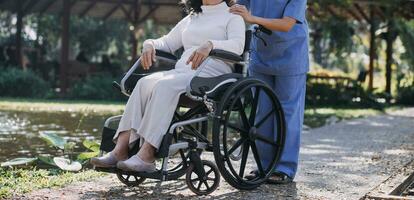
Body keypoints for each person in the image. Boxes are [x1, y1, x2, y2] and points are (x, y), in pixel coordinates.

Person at [91, 0, 245, 172]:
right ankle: (120, 150)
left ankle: (147, 155)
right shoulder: (194, 16)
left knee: (164, 85)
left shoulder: (232, 15)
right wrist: (149, 43)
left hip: (213, 76)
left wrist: (210, 44)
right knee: (144, 83)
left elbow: (238, 46)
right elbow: (167, 42)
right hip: (183, 72)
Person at [229, 0, 309, 184]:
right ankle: (264, 166)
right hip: (261, 54)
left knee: (287, 112)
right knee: (262, 111)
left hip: (291, 54)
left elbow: (287, 23)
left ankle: (284, 168)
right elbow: (235, 5)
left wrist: (252, 18)